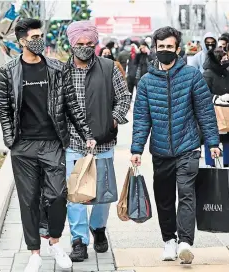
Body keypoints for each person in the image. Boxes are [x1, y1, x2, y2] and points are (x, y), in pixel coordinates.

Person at [0, 18, 96, 272]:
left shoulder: (55, 68)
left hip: (52, 143)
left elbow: (71, 104)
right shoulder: (8, 72)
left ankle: (53, 241)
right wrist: (11, 140)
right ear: (22, 42)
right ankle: (34, 253)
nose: (39, 40)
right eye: (34, 37)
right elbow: (4, 109)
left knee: (57, 195)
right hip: (24, 146)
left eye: (41, 36)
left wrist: (86, 134)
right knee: (28, 200)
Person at [130, 26, 220, 264]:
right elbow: (141, 119)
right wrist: (136, 149)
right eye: (161, 47)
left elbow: (205, 112)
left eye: (170, 47)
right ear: (155, 49)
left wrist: (212, 142)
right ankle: (168, 241)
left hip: (188, 147)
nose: (165, 51)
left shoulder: (191, 76)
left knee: (187, 194)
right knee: (165, 198)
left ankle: (185, 242)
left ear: (178, 49)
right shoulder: (147, 82)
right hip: (160, 150)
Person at [65, 20, 131, 261]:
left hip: (103, 143)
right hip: (73, 144)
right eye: (79, 43)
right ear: (72, 44)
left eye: (89, 43)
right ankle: (79, 240)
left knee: (102, 193)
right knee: (76, 195)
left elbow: (124, 99)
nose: (84, 47)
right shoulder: (63, 72)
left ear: (95, 43)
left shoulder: (108, 67)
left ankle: (98, 228)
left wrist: (111, 122)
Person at [203, 47, 229, 167]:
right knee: (211, 139)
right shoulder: (208, 73)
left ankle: (227, 163)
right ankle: (210, 164)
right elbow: (204, 93)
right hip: (212, 111)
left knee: (227, 138)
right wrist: (217, 98)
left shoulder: (226, 72)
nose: (226, 60)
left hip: (226, 109)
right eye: (223, 58)